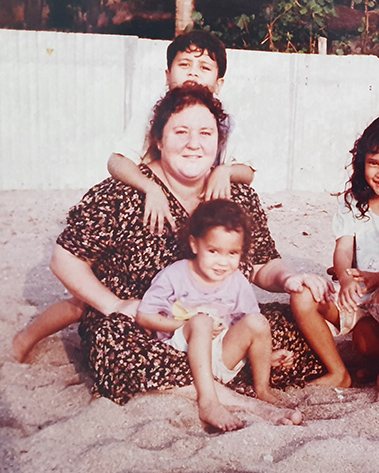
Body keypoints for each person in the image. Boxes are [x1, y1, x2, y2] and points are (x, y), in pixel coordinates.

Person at [24, 84, 330, 426]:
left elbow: (260, 264)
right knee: (115, 342)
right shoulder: (125, 192)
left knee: (297, 334)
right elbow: (65, 259)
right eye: (180, 132)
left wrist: (289, 278)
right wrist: (113, 304)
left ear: (218, 142)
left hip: (220, 321)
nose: (193, 143)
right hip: (148, 325)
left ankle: (221, 374)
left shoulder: (236, 194)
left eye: (205, 133)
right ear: (158, 139)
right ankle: (237, 401)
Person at [12, 30, 254, 362]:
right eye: (185, 65)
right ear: (167, 75)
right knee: (81, 303)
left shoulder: (223, 121)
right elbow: (117, 160)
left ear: (220, 82)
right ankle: (27, 336)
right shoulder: (154, 114)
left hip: (178, 249)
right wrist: (149, 186)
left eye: (204, 67)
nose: (194, 73)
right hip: (138, 221)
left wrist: (224, 171)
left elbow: (248, 170)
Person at [291, 114, 379, 396]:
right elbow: (343, 249)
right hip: (357, 294)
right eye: (374, 163)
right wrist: (345, 278)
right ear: (362, 162)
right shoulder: (353, 203)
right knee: (301, 295)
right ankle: (338, 371)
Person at [136, 199, 292, 431]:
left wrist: (265, 355)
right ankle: (208, 401)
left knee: (258, 322)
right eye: (213, 251)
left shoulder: (237, 281)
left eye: (232, 253)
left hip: (220, 356)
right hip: (181, 357)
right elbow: (144, 316)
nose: (222, 262)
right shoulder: (175, 275)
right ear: (195, 245)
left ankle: (262, 389)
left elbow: (248, 328)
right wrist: (183, 323)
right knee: (201, 321)